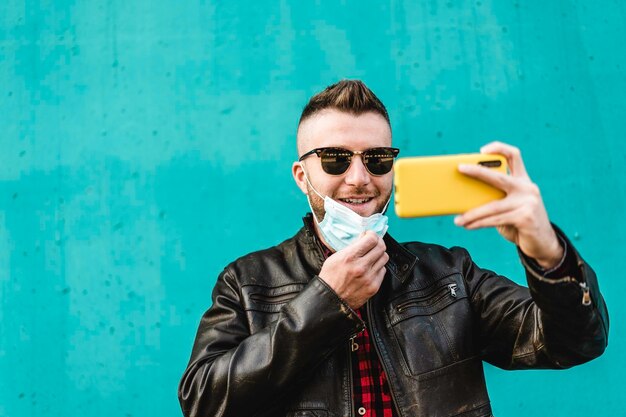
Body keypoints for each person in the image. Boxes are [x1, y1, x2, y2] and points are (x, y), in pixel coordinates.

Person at [178, 80, 608, 417]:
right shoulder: (248, 282)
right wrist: (327, 303)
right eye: (334, 159)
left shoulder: (450, 274)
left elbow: (573, 342)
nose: (360, 177)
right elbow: (203, 403)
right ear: (301, 176)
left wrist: (549, 255)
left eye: (377, 158)